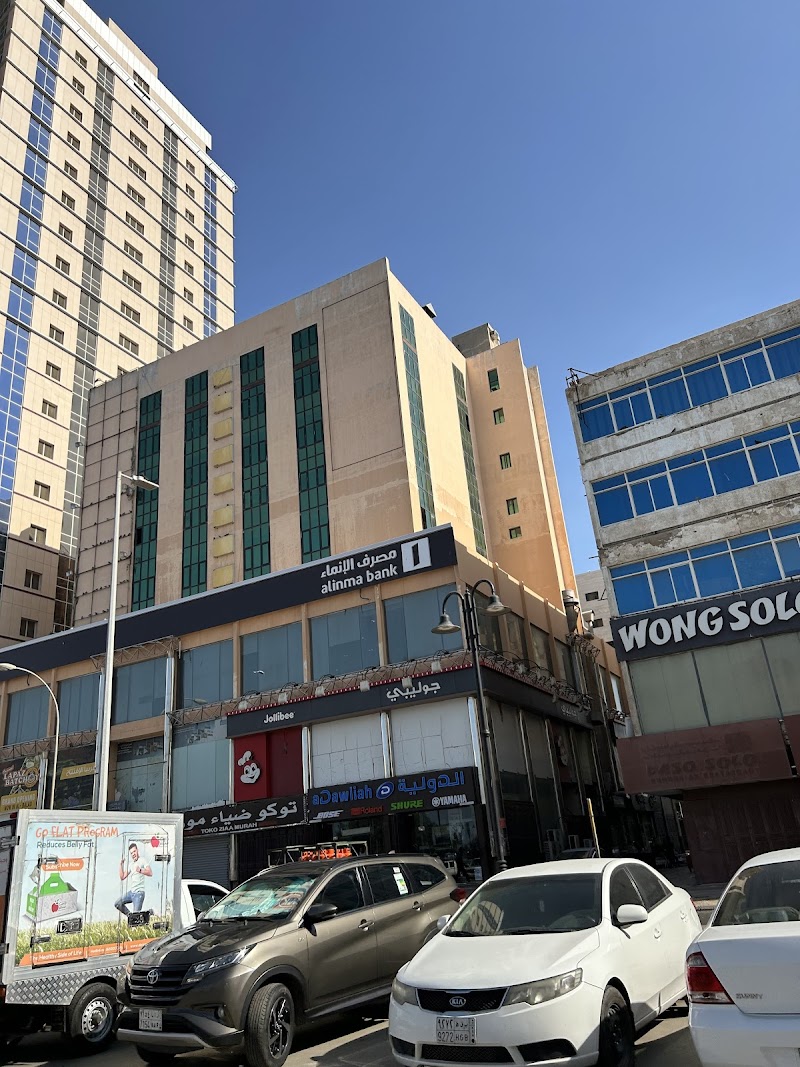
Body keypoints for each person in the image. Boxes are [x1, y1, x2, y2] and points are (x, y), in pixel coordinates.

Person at [115, 841, 152, 916]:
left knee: (136, 917)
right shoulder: (131, 864)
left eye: (134, 851)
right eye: (131, 853)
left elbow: (150, 873)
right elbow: (122, 877)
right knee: (118, 903)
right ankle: (131, 917)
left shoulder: (142, 860)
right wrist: (120, 865)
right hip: (132, 892)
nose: (133, 854)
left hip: (139, 893)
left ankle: (149, 912)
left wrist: (140, 870)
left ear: (137, 850)